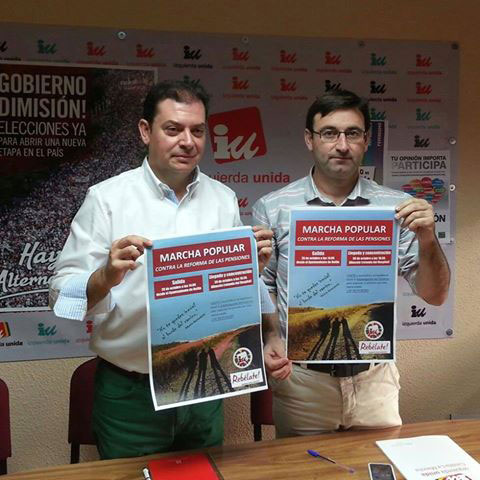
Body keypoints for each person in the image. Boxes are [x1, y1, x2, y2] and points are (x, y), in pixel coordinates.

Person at [49, 80, 273, 459]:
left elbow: (230, 297)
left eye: (197, 131)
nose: (187, 141)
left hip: (204, 386)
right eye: (173, 129)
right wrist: (105, 276)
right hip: (131, 395)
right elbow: (61, 294)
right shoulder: (106, 199)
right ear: (145, 131)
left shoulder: (222, 199)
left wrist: (250, 271)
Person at [252, 89, 450, 438]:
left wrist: (428, 239)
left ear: (366, 140)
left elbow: (434, 296)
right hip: (302, 383)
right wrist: (269, 335)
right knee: (304, 467)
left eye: (352, 133)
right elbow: (263, 284)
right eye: (329, 133)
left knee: (379, 465)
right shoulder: (273, 207)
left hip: (374, 379)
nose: (341, 145)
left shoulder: (396, 207)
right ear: (310, 139)